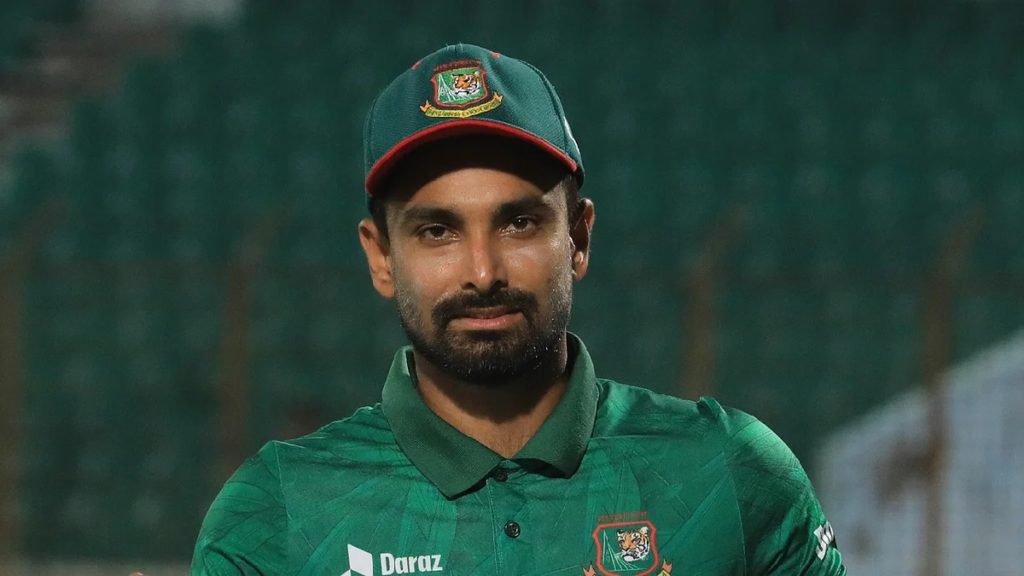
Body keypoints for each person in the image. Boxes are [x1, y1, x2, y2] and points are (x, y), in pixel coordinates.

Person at [191, 43, 846, 576]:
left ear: (578, 238)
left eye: (519, 223)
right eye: (437, 231)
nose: (483, 273)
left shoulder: (730, 472)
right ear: (381, 256)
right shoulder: (276, 510)